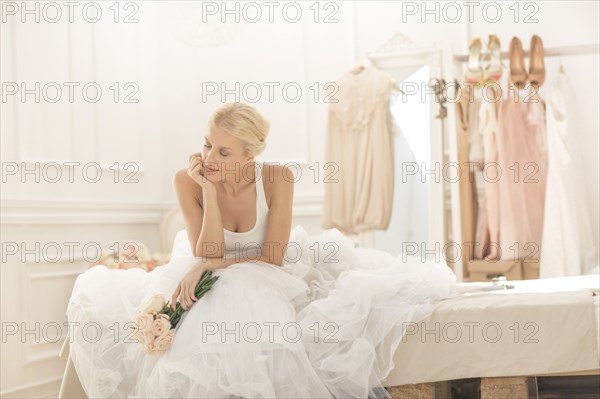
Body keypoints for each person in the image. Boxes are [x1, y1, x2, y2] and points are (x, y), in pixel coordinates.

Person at [65, 102, 457, 398]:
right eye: (207, 145)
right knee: (196, 317)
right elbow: (208, 247)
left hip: (272, 272)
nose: (209, 158)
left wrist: (210, 264)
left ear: (250, 156)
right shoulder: (188, 181)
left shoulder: (276, 178)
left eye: (224, 152)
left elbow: (272, 256)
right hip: (208, 265)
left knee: (247, 293)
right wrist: (208, 192)